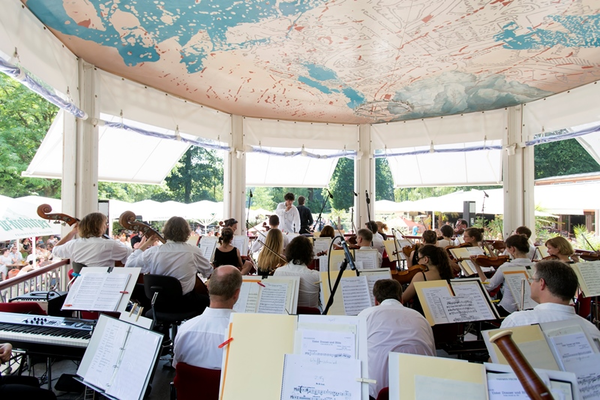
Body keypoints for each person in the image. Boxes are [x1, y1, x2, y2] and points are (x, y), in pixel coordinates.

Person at [358, 279, 435, 398]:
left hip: (377, 393)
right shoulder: (421, 318)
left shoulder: (366, 315)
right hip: (422, 390)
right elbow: (433, 355)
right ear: (401, 299)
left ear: (376, 301)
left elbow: (354, 355)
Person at [125, 216, 213, 312]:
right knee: (209, 300)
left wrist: (146, 244)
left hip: (159, 303)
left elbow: (129, 265)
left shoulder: (153, 252)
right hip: (185, 303)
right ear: (187, 233)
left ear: (165, 232)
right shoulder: (193, 251)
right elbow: (209, 272)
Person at [501, 260, 600, 341]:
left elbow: (496, 360)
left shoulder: (517, 321)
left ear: (542, 283)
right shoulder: (592, 330)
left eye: (532, 280)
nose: (531, 284)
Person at [173, 265, 242, 369]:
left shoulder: (185, 329)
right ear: (236, 294)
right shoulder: (244, 333)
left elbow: (177, 367)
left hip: (191, 385)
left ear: (208, 287)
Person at [473, 234, 535, 316]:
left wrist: (476, 266)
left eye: (507, 248)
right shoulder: (536, 266)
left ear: (513, 249)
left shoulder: (507, 266)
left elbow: (489, 286)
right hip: (531, 309)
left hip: (508, 310)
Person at [52, 212, 132, 271]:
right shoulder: (109, 245)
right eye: (105, 223)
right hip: (103, 284)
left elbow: (55, 250)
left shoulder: (73, 244)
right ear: (100, 226)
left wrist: (72, 232)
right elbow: (130, 255)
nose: (106, 226)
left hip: (82, 285)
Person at [402, 244, 454, 315]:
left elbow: (403, 299)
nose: (418, 262)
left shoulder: (421, 276)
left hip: (423, 315)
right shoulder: (447, 273)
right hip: (444, 314)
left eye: (419, 259)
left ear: (426, 259)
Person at [273, 236, 320, 308]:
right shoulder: (316, 276)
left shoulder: (279, 272)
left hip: (286, 317)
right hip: (310, 317)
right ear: (309, 255)